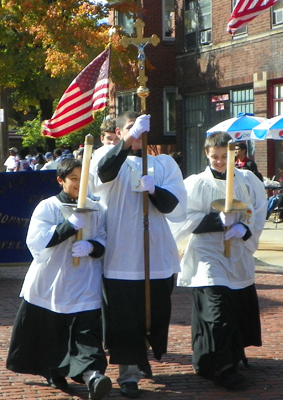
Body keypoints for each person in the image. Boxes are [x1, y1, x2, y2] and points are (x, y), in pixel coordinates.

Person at [91, 111, 187, 398]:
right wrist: (129, 140)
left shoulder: (162, 162)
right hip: (121, 254)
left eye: (140, 129)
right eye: (130, 129)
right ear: (120, 132)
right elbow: (102, 175)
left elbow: (177, 206)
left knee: (152, 312)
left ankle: (143, 355)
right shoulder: (107, 155)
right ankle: (128, 373)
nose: (137, 134)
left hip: (155, 253)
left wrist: (156, 190)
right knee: (123, 317)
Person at [6, 158, 112, 400]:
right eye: (73, 179)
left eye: (83, 179)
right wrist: (68, 226)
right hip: (52, 281)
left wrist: (92, 246)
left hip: (85, 281)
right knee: (52, 333)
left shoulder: (99, 208)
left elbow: (105, 238)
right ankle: (54, 371)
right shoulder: (48, 207)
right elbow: (36, 241)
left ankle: (93, 375)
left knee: (87, 331)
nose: (79, 184)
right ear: (61, 180)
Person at [169, 132, 267, 389]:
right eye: (215, 157)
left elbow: (257, 211)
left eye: (225, 156)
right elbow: (183, 218)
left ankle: (217, 359)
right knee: (216, 311)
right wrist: (215, 220)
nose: (220, 161)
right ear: (206, 155)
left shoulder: (247, 180)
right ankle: (222, 368)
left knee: (233, 308)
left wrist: (244, 230)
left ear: (234, 155)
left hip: (237, 254)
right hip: (207, 254)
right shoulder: (197, 183)